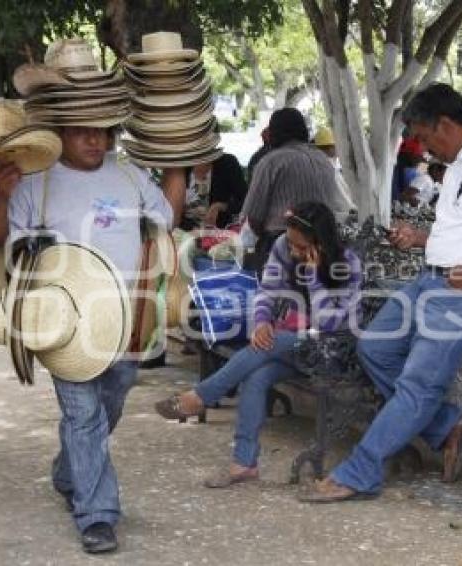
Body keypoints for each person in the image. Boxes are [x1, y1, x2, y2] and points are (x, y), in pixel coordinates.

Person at [0, 38, 184, 555]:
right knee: (84, 414)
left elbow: (167, 221)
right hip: (63, 319)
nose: (95, 141)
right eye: (83, 131)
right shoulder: (36, 182)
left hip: (125, 320)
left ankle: (68, 469)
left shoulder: (130, 174)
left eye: (102, 131)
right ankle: (97, 514)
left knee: (109, 405)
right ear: (61, 132)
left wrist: (179, 165)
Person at [299, 83, 462, 503]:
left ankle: (360, 470)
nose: (425, 149)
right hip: (435, 279)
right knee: (374, 348)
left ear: (445, 124)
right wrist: (421, 237)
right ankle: (446, 425)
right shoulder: (461, 164)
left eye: (426, 138)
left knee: (418, 383)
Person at [154, 201, 362, 486]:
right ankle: (244, 463)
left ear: (320, 244)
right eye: (290, 243)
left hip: (335, 348)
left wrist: (314, 278)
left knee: (271, 343)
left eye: (300, 247)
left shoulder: (347, 263)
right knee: (257, 373)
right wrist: (262, 321)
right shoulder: (282, 246)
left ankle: (201, 397)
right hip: (296, 342)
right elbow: (267, 291)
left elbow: (331, 324)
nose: (292, 251)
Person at [240, 108, 351, 274]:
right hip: (323, 246)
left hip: (284, 247)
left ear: (273, 134)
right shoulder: (323, 159)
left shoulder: (270, 162)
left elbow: (252, 218)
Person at [181, 152, 248, 230]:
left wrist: (220, 206)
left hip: (219, 235)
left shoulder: (227, 163)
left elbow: (246, 200)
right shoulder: (180, 166)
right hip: (183, 234)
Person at [313, 126, 357, 213]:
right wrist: (356, 211)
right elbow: (343, 202)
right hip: (337, 216)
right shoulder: (328, 168)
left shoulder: (317, 165)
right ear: (331, 148)